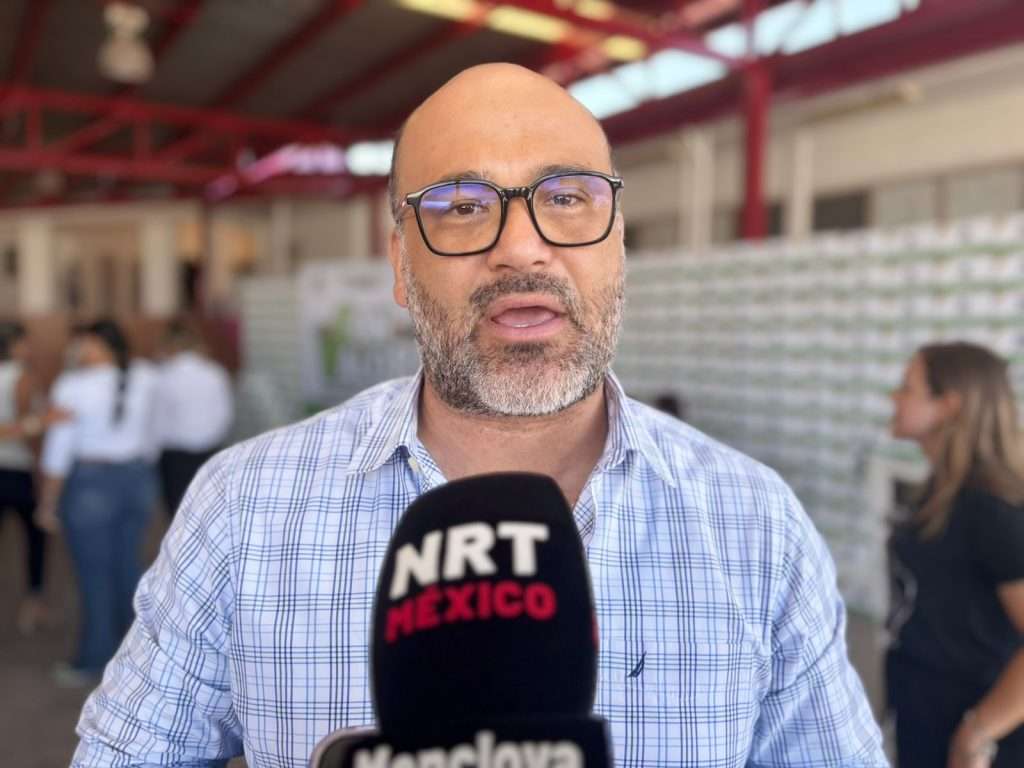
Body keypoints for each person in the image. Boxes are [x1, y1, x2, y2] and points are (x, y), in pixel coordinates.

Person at [69, 64, 885, 767]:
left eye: (567, 196)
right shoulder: (244, 508)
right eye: (461, 206)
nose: (522, 248)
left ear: (618, 244)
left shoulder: (757, 526)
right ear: (400, 262)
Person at [887, 342, 1024, 768]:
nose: (894, 398)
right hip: (925, 721)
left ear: (948, 406)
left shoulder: (990, 510)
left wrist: (976, 735)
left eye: (907, 388)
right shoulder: (938, 493)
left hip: (974, 745)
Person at [36, 319, 160, 687]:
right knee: (130, 569)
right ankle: (142, 661)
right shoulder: (147, 376)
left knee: (94, 576)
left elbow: (58, 448)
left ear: (94, 345)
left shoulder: (73, 384)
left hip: (91, 483)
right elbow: (154, 433)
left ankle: (95, 659)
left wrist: (47, 500)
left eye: (80, 343)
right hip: (138, 479)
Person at [153, 318, 233, 517]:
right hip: (210, 450)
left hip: (175, 455)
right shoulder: (216, 373)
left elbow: (157, 422)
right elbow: (225, 414)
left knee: (178, 515)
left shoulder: (164, 376)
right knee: (209, 511)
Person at [0, 321, 50, 633]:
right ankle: (33, 603)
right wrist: (40, 427)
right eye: (24, 342)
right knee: (35, 537)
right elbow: (27, 426)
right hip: (18, 470)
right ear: (14, 345)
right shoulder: (22, 377)